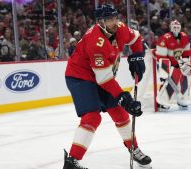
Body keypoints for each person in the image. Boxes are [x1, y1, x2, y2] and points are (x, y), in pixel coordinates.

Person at [63, 4, 151, 169]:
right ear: (100, 22)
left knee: (120, 113)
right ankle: (72, 162)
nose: (114, 22)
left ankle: (134, 149)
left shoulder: (120, 28)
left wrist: (137, 56)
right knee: (92, 116)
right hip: (80, 76)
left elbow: (136, 38)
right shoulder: (96, 42)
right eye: (109, 19)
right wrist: (125, 98)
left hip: (100, 76)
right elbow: (104, 80)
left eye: (115, 18)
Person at [154, 19, 191, 110]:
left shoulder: (185, 37)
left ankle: (183, 99)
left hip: (179, 63)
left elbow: (186, 53)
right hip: (167, 64)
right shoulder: (164, 38)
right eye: (174, 27)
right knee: (169, 80)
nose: (176, 29)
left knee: (187, 76)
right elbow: (161, 57)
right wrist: (164, 70)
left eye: (177, 27)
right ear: (171, 28)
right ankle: (163, 101)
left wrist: (185, 64)